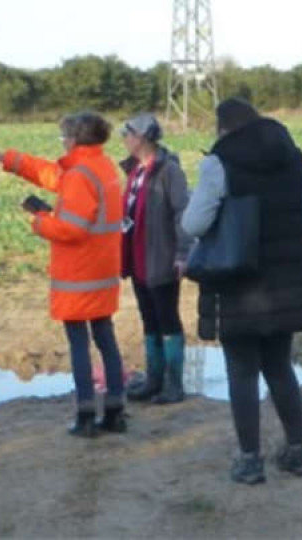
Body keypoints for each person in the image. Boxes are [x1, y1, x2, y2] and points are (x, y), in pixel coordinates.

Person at [182, 98, 302, 485]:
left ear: (223, 128)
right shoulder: (295, 159)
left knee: (242, 371)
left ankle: (250, 460)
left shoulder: (219, 163)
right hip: (287, 282)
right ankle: (297, 451)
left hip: (238, 281)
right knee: (280, 366)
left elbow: (194, 223)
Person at [0, 112, 126, 438]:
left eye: (63, 136)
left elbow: (72, 229)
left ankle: (86, 415)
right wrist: (9, 159)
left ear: (74, 139)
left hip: (79, 273)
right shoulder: (100, 167)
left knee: (79, 343)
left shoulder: (79, 174)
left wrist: (40, 221)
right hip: (102, 269)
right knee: (105, 337)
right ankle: (116, 409)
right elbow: (51, 174)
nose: (61, 141)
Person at [117, 113, 193, 405]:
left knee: (167, 319)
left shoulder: (169, 171)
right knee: (149, 319)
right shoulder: (135, 171)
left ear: (143, 137)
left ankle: (174, 385)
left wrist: (182, 254)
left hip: (161, 258)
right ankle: (154, 380)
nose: (124, 138)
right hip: (138, 259)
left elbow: (181, 213)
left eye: (128, 132)